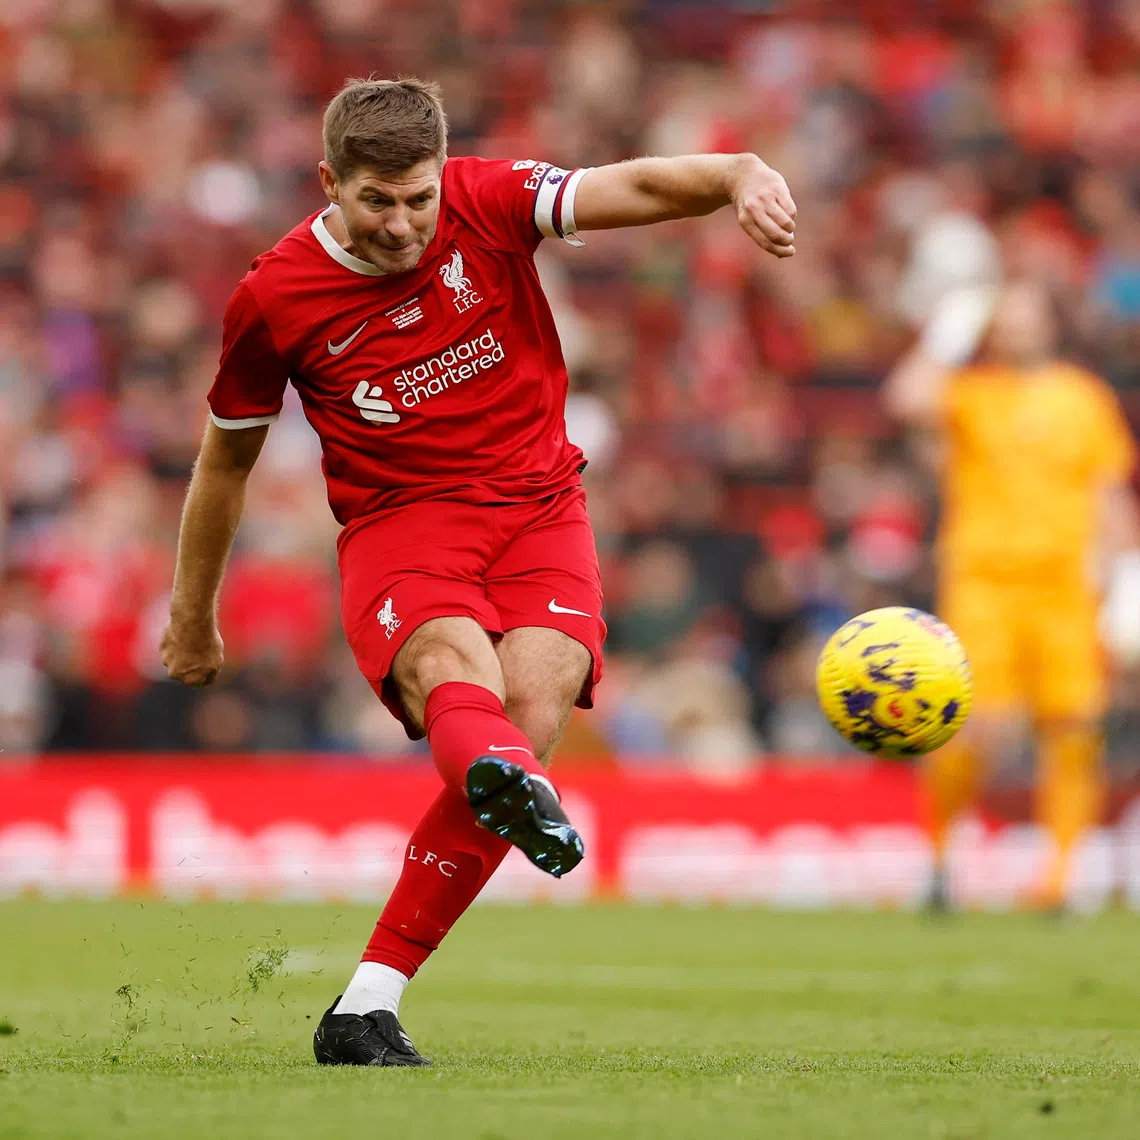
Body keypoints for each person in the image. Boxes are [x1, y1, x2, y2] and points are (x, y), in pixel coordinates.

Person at [159, 76, 797, 1065]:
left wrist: (733, 174)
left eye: (419, 197)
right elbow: (225, 461)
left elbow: (616, 191)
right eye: (377, 201)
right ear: (330, 181)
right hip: (403, 523)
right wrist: (192, 611)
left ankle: (365, 1005)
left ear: (440, 174)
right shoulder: (274, 297)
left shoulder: (486, 198)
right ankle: (497, 773)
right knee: (459, 670)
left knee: (532, 704)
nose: (405, 223)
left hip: (541, 503)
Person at [885, 278, 1140, 912]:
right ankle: (940, 860)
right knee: (976, 730)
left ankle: (1058, 880)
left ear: (1050, 324)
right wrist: (951, 330)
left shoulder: (1085, 398)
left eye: (1029, 318)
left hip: (1066, 588)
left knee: (1074, 727)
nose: (1018, 330)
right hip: (984, 581)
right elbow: (904, 399)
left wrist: (1124, 578)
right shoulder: (971, 393)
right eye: (1007, 320)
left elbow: (1109, 493)